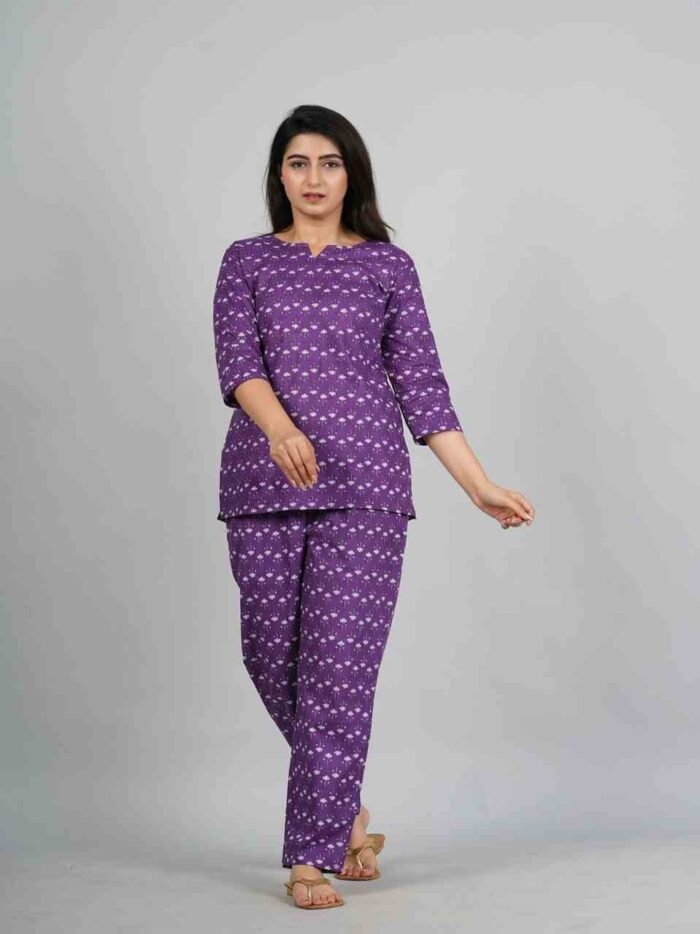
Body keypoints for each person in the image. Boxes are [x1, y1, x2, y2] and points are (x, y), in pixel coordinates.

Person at [212, 104, 535, 910]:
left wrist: (477, 484)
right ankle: (343, 810)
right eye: (298, 163)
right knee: (267, 655)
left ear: (351, 173)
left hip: (367, 488)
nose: (314, 178)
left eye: (330, 162)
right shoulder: (246, 260)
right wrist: (280, 429)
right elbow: (238, 362)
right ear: (279, 174)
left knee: (337, 669)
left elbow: (422, 384)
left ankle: (309, 856)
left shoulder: (388, 267)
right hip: (263, 484)